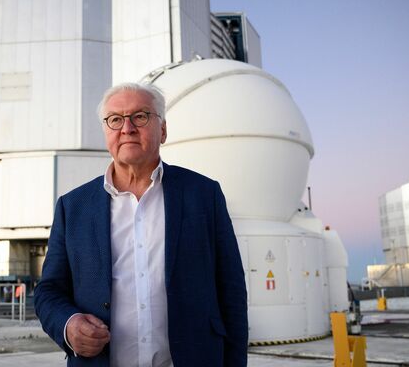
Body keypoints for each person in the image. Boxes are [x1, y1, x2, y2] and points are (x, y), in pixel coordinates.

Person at [34, 83, 248, 366]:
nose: (127, 128)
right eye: (115, 119)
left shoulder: (204, 195)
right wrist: (68, 324)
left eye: (140, 116)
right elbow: (48, 291)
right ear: (106, 131)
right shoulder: (72, 207)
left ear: (163, 130)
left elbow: (231, 291)